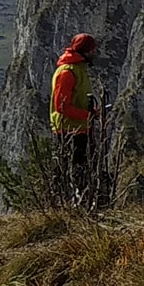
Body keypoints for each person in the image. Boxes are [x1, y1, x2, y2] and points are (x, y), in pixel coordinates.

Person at [50, 32, 101, 201]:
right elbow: (61, 106)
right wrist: (87, 115)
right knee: (72, 171)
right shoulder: (67, 73)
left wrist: (90, 114)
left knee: (84, 170)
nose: (95, 53)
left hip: (80, 129)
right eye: (92, 50)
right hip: (69, 131)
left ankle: (82, 202)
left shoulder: (78, 69)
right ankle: (65, 204)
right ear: (85, 51)